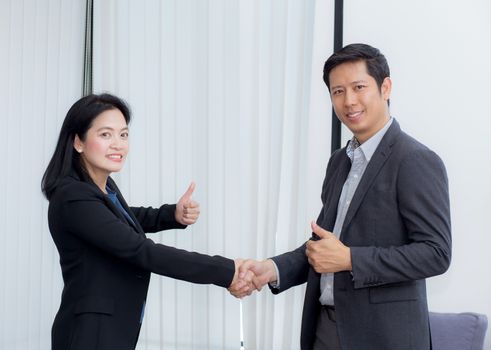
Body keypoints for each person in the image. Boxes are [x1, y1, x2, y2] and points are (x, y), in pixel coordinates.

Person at [229, 43, 452, 349]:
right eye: (337, 91)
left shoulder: (414, 160)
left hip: (384, 338)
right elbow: (324, 248)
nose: (349, 101)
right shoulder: (339, 162)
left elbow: (436, 253)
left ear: (385, 87)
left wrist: (350, 259)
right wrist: (272, 269)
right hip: (326, 329)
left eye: (359, 87)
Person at [42, 93, 251, 350]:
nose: (118, 144)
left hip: (111, 328)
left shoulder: (102, 187)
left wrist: (171, 214)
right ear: (78, 142)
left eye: (123, 134)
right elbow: (140, 250)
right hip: (91, 333)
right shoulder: (73, 196)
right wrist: (227, 271)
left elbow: (123, 216)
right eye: (105, 134)